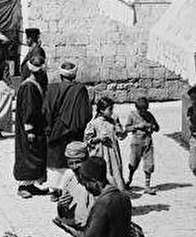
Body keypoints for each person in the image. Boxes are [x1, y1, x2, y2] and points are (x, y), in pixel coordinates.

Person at [43, 61, 92, 197]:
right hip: (72, 131)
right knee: (71, 160)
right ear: (74, 74)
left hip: (55, 131)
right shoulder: (80, 90)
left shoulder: (52, 89)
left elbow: (46, 110)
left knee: (55, 161)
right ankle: (68, 190)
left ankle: (54, 190)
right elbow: (86, 114)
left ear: (60, 74)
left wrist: (48, 127)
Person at [13, 57, 48, 198]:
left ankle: (31, 185)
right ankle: (23, 186)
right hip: (30, 129)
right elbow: (29, 109)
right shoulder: (29, 86)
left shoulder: (33, 84)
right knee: (28, 155)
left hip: (36, 126)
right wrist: (29, 130)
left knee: (35, 154)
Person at [84, 96, 128, 192]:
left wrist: (119, 125)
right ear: (102, 110)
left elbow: (121, 136)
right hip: (101, 154)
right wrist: (98, 139)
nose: (112, 112)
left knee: (115, 172)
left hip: (113, 154)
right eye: (110, 109)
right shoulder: (94, 124)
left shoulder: (113, 122)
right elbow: (87, 140)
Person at [123, 97, 161, 191]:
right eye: (141, 110)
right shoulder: (132, 115)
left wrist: (151, 126)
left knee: (149, 163)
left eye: (145, 110)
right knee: (133, 163)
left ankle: (147, 186)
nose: (143, 112)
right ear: (137, 109)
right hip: (136, 142)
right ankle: (129, 179)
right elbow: (127, 128)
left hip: (148, 141)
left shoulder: (149, 115)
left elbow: (157, 128)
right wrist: (137, 126)